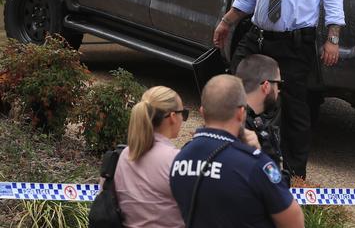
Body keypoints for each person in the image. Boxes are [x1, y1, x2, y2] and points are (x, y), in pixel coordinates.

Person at [213, 0, 345, 178]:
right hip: (258, 37)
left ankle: (296, 174)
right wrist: (226, 22)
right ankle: (231, 156)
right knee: (234, 90)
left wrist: (332, 39)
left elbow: (333, 4)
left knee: (296, 108)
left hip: (295, 44)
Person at [169, 75, 304, 228]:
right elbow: (294, 222)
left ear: (202, 111)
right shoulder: (255, 165)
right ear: (241, 113)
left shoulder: (181, 158)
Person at [113, 86, 187, 228]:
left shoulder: (123, 156)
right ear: (172, 117)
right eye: (183, 113)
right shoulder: (176, 160)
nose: (183, 118)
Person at [235, 54, 284, 168]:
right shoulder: (248, 131)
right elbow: (275, 181)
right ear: (266, 86)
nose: (279, 90)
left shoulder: (224, 116)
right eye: (278, 84)